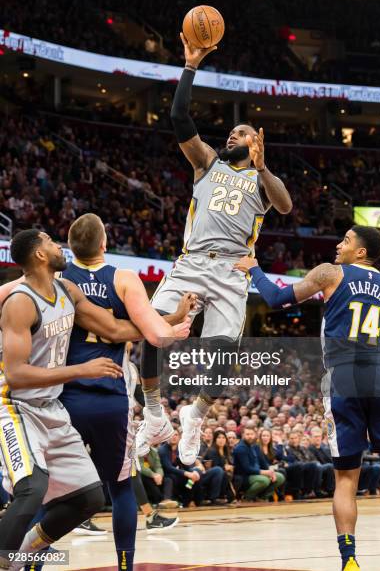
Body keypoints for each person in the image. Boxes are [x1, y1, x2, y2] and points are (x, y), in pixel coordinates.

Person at [136, 32, 292, 466]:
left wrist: (264, 168)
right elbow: (179, 117)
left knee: (224, 357)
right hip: (191, 262)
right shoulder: (207, 162)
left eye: (240, 131)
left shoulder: (261, 181)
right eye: (230, 131)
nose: (231, 135)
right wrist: (190, 66)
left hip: (229, 270)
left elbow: (284, 204)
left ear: (255, 143)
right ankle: (152, 414)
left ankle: (195, 413)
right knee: (151, 326)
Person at [235, 225, 380, 571]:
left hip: (344, 376)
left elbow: (275, 298)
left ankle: (349, 561)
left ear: (361, 252)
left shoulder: (331, 273)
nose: (338, 245)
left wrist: (253, 267)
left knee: (346, 478)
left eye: (346, 240)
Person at [0, 229, 148, 569]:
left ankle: (21, 554)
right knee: (31, 489)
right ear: (39, 254)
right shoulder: (20, 301)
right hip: (14, 405)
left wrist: (167, 322)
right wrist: (81, 370)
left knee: (89, 497)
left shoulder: (66, 289)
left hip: (50, 406)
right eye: (51, 242)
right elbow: (17, 374)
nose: (59, 246)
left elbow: (113, 328)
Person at [59, 213, 192, 568]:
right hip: (110, 397)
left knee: (50, 492)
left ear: (70, 247)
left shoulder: (59, 280)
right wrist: (175, 320)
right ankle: (125, 566)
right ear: (105, 244)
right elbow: (154, 335)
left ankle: (31, 561)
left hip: (63, 396)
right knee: (120, 490)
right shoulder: (124, 278)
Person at [233, 426, 284, 501]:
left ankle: (262, 497)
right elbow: (246, 468)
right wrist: (264, 472)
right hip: (244, 476)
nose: (250, 436)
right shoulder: (240, 448)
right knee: (264, 480)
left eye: (251, 434)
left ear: (255, 435)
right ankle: (247, 497)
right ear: (243, 435)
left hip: (256, 473)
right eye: (247, 434)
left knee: (280, 477)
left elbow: (262, 462)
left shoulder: (255, 446)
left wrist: (270, 472)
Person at [204, 429, 237, 502]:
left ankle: (227, 496)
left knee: (233, 475)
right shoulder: (212, 451)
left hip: (222, 476)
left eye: (223, 438)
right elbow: (214, 468)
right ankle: (215, 497)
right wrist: (225, 467)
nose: (221, 440)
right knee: (220, 471)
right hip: (209, 477)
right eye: (219, 438)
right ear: (215, 439)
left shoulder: (226, 451)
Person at [308, 427, 335, 495]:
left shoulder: (324, 448)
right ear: (311, 438)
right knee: (329, 466)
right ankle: (329, 490)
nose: (318, 438)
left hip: (326, 467)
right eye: (315, 436)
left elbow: (330, 459)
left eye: (319, 436)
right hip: (315, 468)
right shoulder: (309, 449)